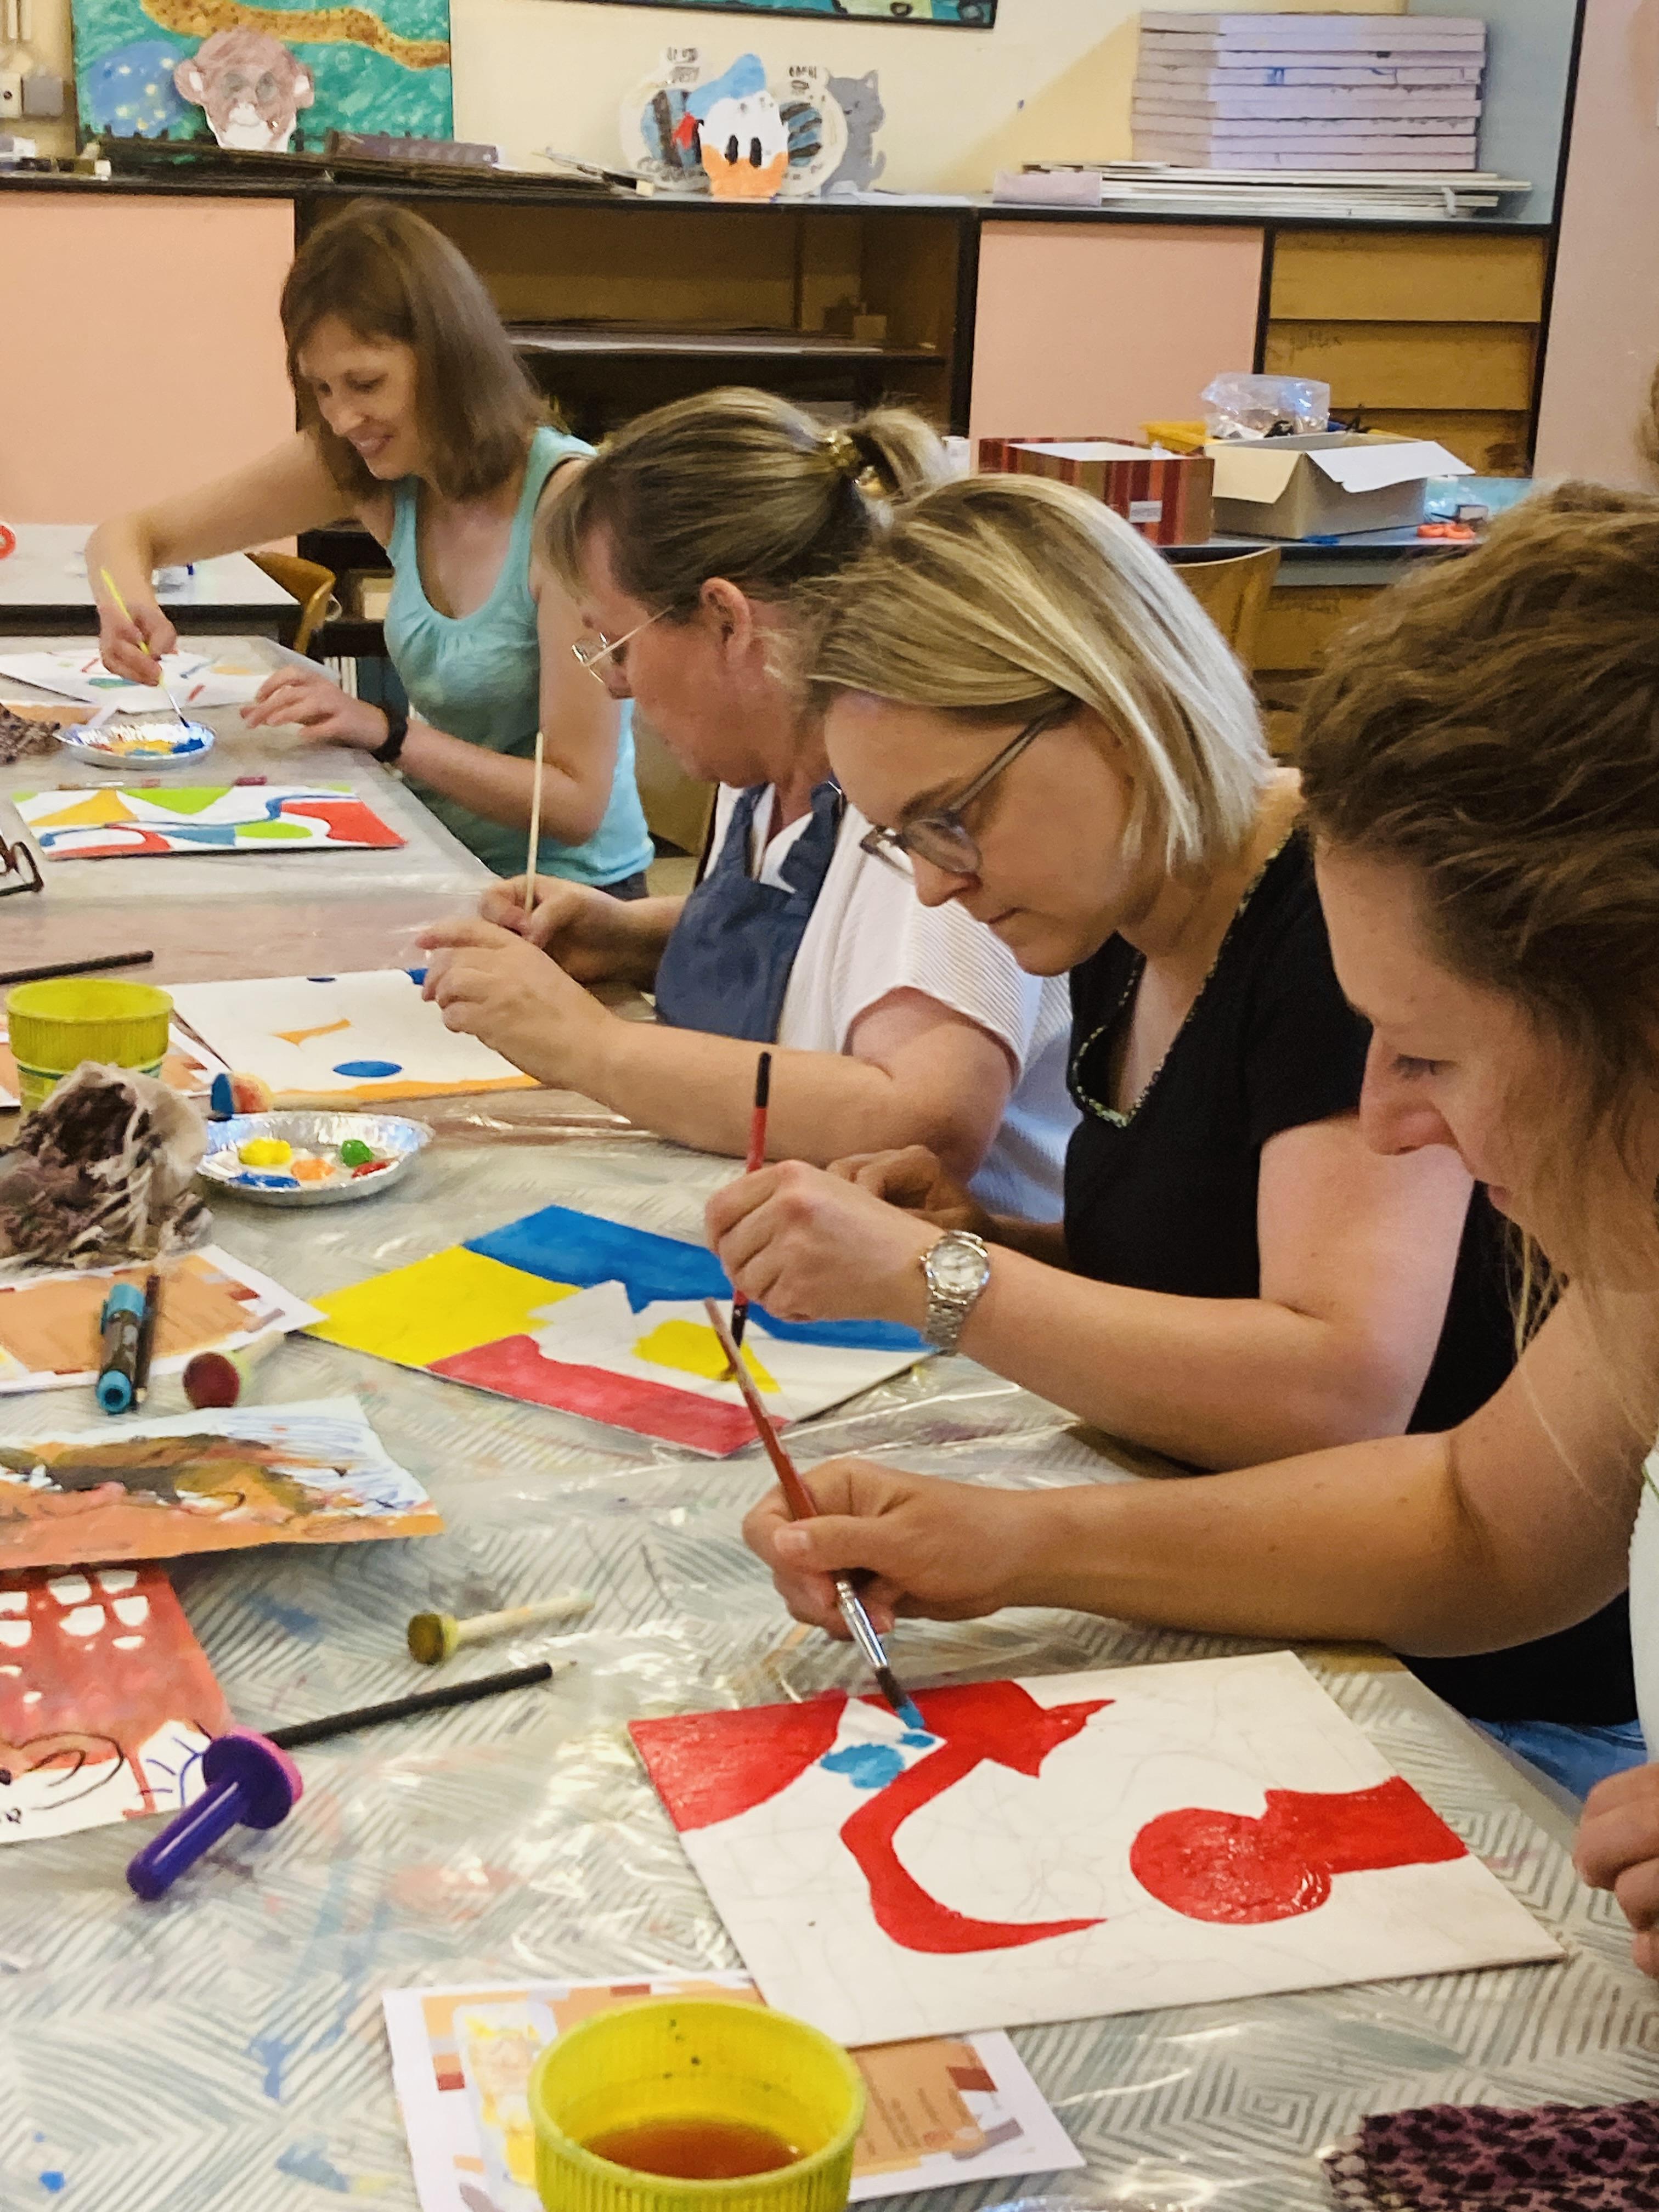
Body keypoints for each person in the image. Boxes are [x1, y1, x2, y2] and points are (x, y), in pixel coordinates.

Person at [738, 485, 1659, 1969]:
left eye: (1428, 1053)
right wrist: (1016, 1540)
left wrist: (951, 1283)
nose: (1387, 1123)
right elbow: (1481, 1519)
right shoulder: (1634, 1268)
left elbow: (1341, 1384)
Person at [417, 390, 1074, 1214]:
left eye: (616, 644)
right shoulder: (758, 771)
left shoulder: (916, 792)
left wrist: (592, 1047)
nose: (615, 683)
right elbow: (828, 957)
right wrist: (633, 935)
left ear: (727, 622)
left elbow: (927, 1122)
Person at [87, 200, 653, 895]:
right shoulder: (373, 465)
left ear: (449, 359)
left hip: (566, 898)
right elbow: (126, 535)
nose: (341, 417)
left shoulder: (569, 506)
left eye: (366, 383)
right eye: (320, 388)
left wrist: (383, 731)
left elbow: (574, 805)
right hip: (439, 860)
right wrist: (127, 606)